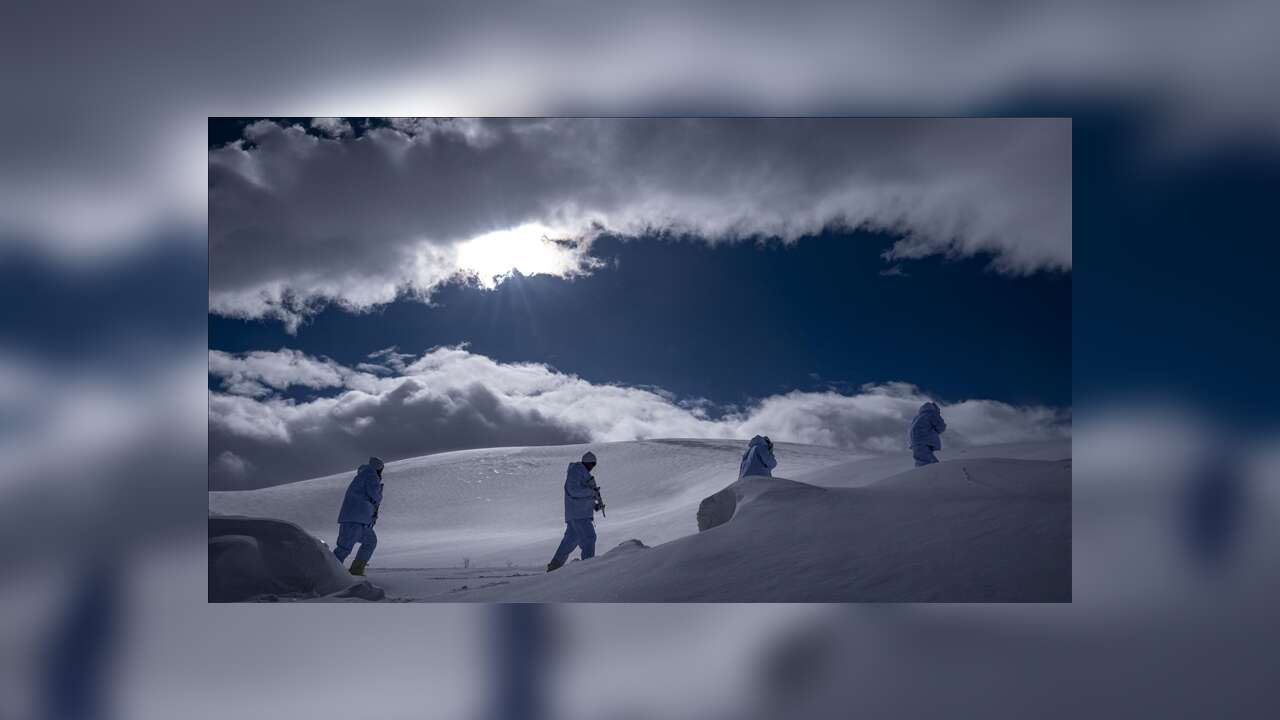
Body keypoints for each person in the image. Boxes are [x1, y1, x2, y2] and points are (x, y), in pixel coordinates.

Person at [546, 451, 603, 572]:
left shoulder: (583, 474)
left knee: (569, 542)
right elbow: (574, 491)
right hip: (579, 514)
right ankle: (587, 567)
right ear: (588, 463)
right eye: (592, 464)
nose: (592, 467)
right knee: (589, 538)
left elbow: (583, 494)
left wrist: (595, 506)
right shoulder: (575, 472)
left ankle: (555, 565)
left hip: (580, 513)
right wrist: (592, 492)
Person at [334, 456, 385, 576]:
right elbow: (375, 495)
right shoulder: (371, 476)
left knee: (370, 542)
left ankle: (356, 570)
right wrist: (379, 492)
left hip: (360, 519)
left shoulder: (362, 476)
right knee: (344, 548)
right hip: (355, 519)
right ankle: (328, 572)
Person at [908, 402, 947, 466]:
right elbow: (941, 426)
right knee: (928, 462)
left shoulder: (917, 417)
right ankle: (933, 474)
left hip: (915, 442)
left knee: (921, 460)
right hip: (924, 440)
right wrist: (936, 431)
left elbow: (911, 429)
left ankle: (922, 474)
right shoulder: (931, 414)